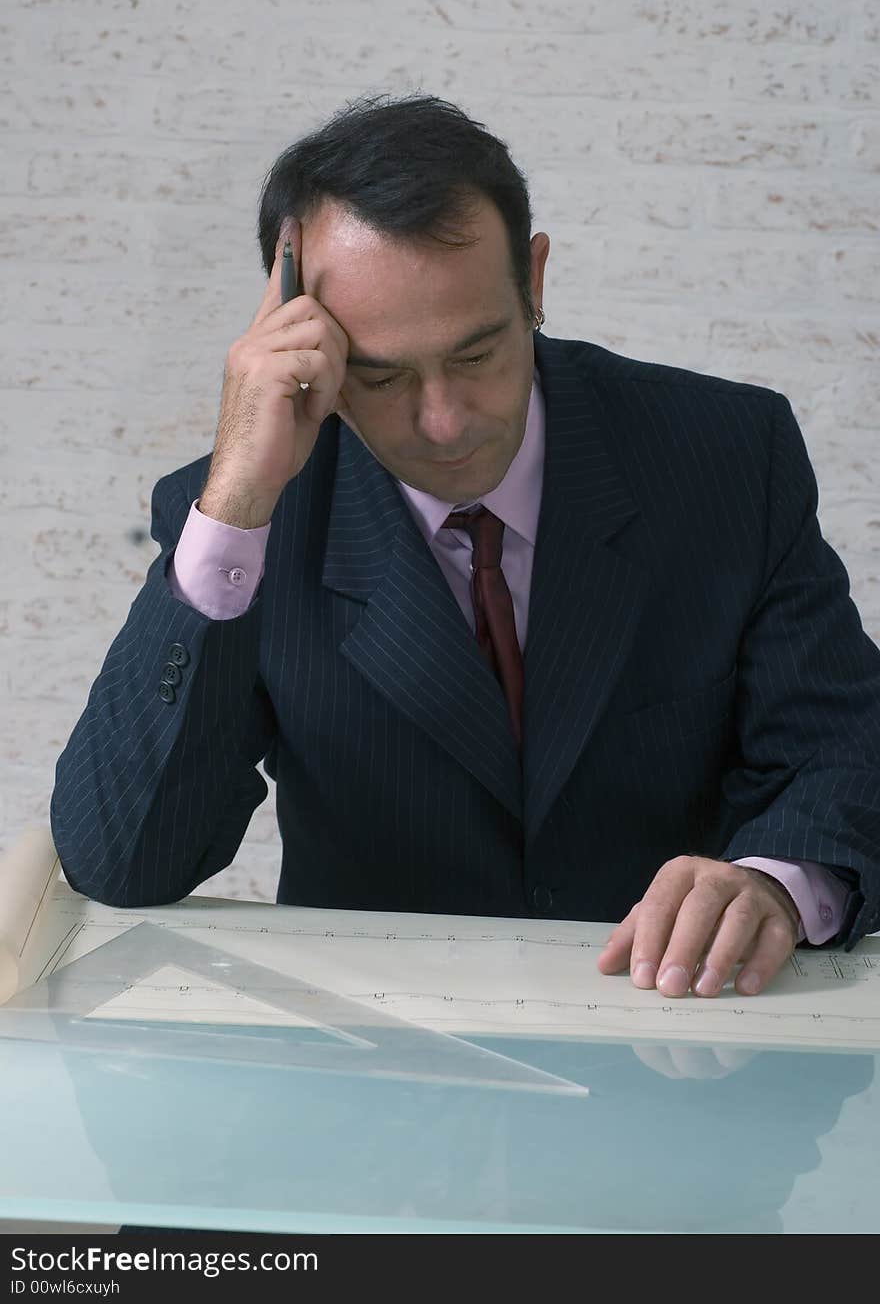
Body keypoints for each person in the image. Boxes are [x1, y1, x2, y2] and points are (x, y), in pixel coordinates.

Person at [50, 93, 880, 1002]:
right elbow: (120, 860)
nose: (443, 422)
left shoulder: (725, 456)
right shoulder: (251, 517)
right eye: (380, 374)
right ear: (304, 342)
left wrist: (774, 882)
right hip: (388, 1076)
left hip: (689, 1033)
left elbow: (841, 748)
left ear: (534, 277)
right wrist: (240, 498)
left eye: (480, 353)